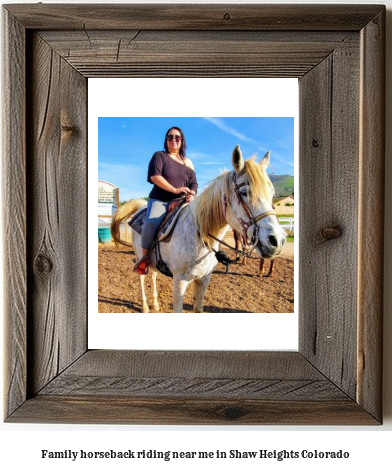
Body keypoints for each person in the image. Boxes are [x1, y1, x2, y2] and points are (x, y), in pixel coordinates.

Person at [134, 126, 198, 274]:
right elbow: (155, 177)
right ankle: (144, 258)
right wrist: (175, 190)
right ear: (166, 140)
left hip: (183, 201)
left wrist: (192, 194)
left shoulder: (188, 162)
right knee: (151, 222)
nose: (174, 140)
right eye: (170, 137)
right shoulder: (160, 156)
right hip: (161, 200)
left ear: (182, 140)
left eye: (177, 137)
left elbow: (194, 182)